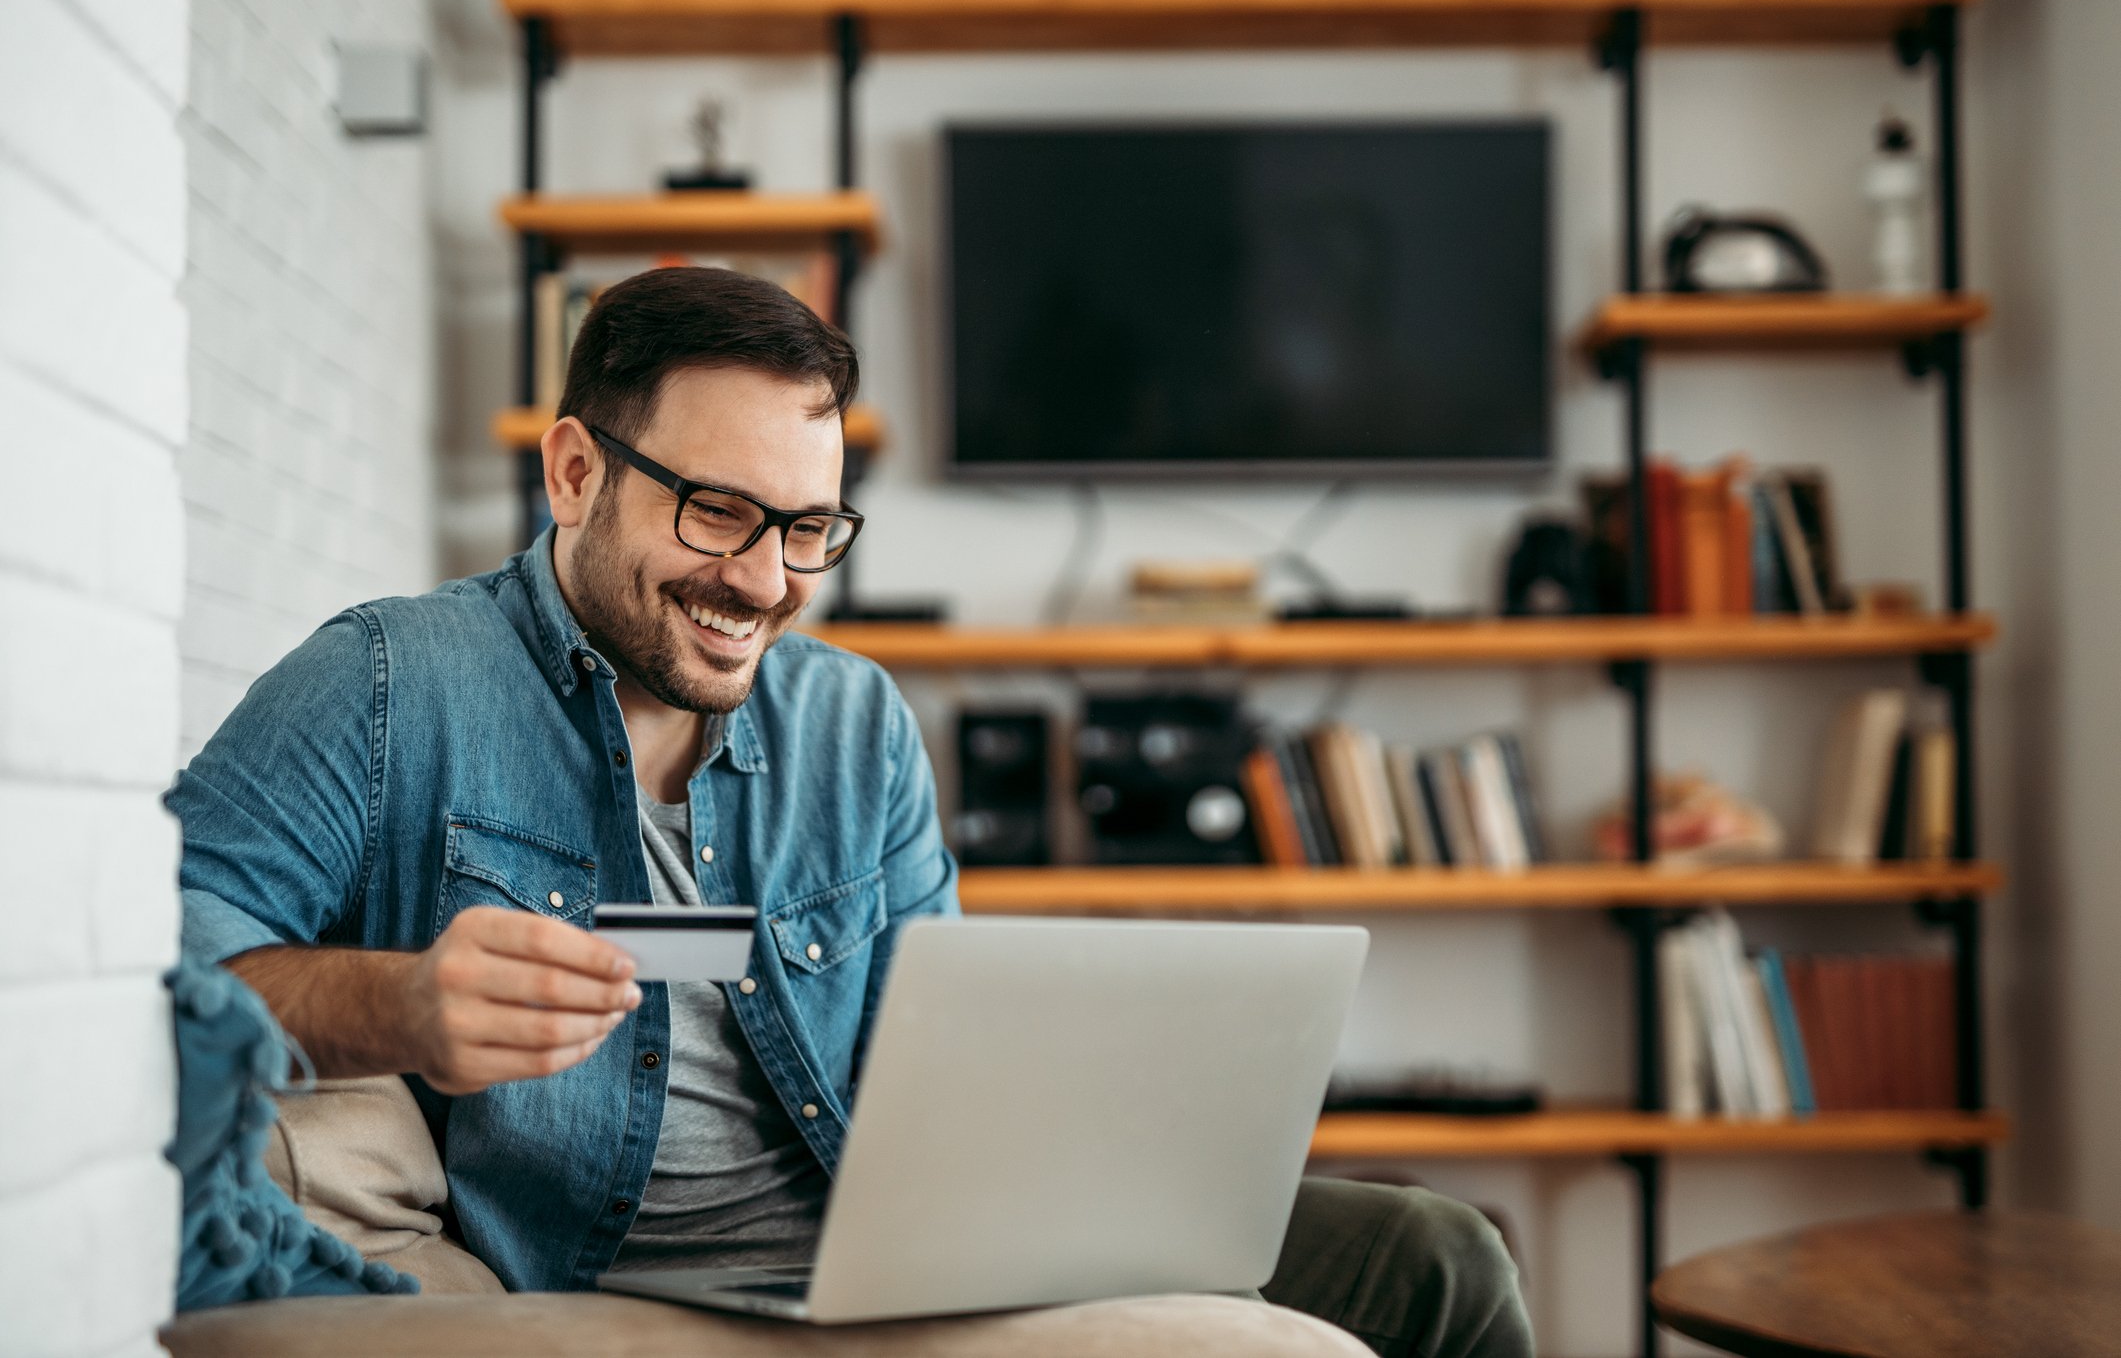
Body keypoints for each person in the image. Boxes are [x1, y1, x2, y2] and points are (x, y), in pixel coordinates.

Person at [170, 265, 1533, 1358]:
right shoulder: (389, 680)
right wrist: (400, 1003)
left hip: (891, 1241)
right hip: (622, 1274)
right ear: (575, 471)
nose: (765, 580)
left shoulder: (854, 721)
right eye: (716, 512)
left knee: (1437, 1258)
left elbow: (939, 1040)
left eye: (807, 527)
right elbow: (162, 960)